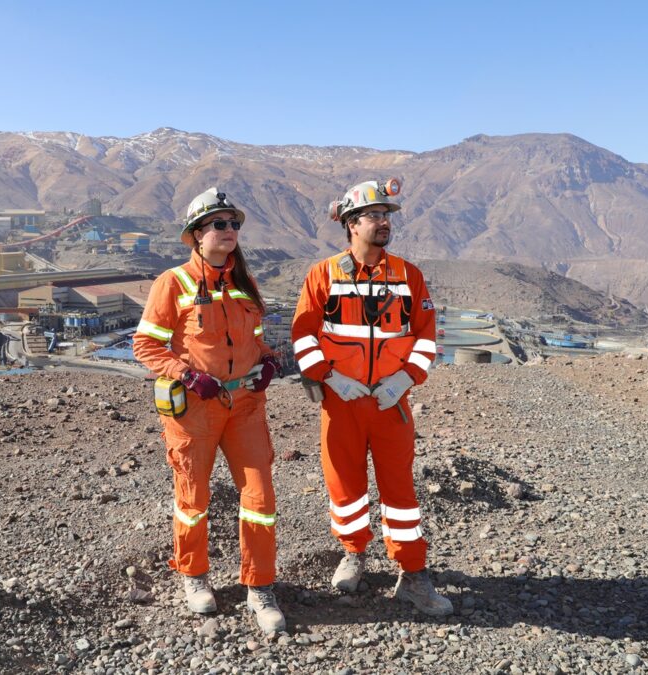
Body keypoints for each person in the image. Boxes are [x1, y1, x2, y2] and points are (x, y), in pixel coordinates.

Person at [291, 179, 452, 616]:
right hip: (341, 403)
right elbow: (303, 335)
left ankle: (413, 574)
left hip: (390, 403)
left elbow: (425, 336)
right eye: (374, 216)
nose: (384, 222)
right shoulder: (323, 275)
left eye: (386, 216)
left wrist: (405, 378)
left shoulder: (408, 275)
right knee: (345, 486)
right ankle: (353, 553)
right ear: (351, 224)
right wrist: (328, 377)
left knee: (400, 491)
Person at [133, 187, 286, 634]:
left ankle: (260, 586)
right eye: (219, 223)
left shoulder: (244, 285)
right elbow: (145, 345)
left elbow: (254, 340)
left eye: (234, 223)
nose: (229, 230)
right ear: (196, 234)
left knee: (259, 499)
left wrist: (268, 361)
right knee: (193, 498)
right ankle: (194, 575)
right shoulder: (173, 283)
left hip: (245, 407)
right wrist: (185, 374)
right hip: (195, 409)